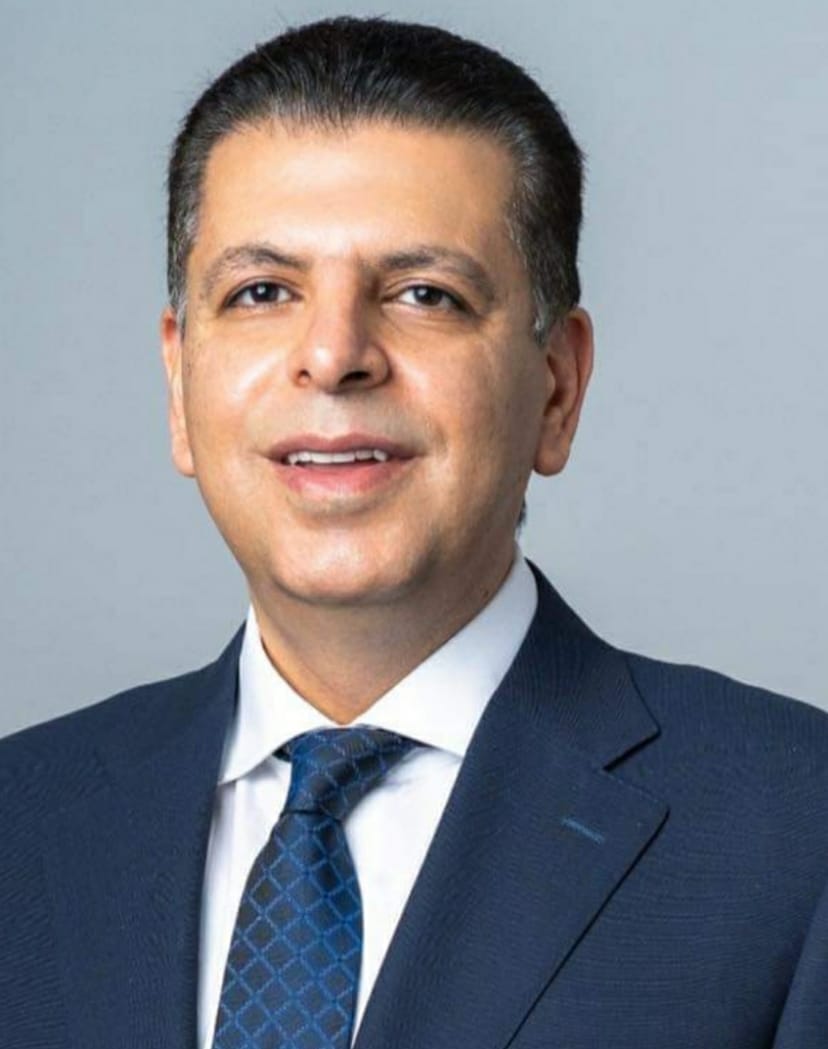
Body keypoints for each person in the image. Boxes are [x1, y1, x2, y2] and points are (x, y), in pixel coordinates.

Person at [1, 15, 827, 1049]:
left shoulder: (796, 833)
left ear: (557, 388)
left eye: (424, 294)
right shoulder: (20, 820)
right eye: (263, 291)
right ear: (179, 383)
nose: (334, 353)